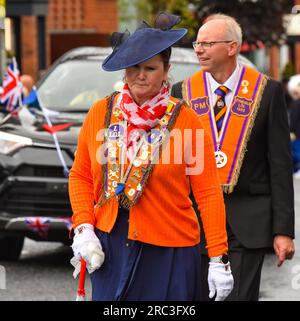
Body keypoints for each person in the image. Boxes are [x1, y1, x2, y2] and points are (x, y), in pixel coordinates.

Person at [68, 12, 234, 301]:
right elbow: (81, 175)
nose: (140, 75)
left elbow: (207, 193)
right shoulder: (100, 113)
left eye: (150, 68)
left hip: (171, 248)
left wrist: (218, 256)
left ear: (166, 70)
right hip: (110, 242)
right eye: (133, 67)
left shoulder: (186, 121)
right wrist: (83, 226)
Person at [171, 13, 295, 301]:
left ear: (231, 47)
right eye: (197, 44)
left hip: (248, 222)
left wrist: (283, 231)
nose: (198, 49)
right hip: (196, 221)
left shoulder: (268, 91)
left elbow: (279, 164)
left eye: (207, 43)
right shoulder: (183, 93)